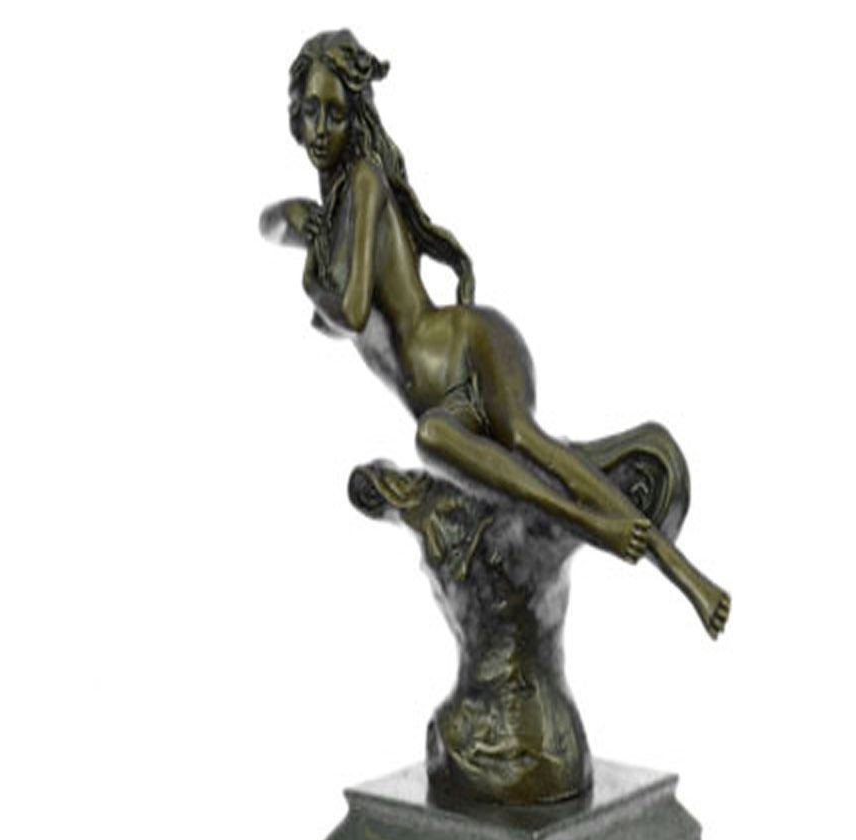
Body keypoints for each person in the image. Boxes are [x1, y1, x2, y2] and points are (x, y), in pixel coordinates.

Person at [260, 30, 730, 638]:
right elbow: (270, 226)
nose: (321, 129)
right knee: (456, 440)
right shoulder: (340, 211)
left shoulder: (366, 184)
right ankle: (628, 519)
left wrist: (307, 258)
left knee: (524, 444)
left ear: (357, 118)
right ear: (294, 117)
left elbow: (348, 311)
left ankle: (668, 565)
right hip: (440, 396)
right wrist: (297, 221)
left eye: (335, 113)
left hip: (461, 345)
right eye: (310, 112)